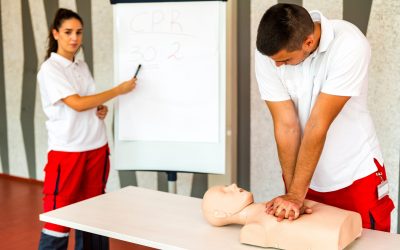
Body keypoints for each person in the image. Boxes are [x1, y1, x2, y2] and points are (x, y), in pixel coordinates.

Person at [255, 3, 394, 231]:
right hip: (302, 176)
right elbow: (286, 125)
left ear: (308, 43)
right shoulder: (272, 52)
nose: (277, 66)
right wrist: (294, 193)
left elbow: (318, 123)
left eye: (285, 61)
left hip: (353, 174)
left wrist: (296, 194)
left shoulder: (349, 44)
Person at [37, 8, 136, 250]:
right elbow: (77, 104)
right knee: (58, 219)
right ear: (55, 33)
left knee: (93, 215)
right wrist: (117, 91)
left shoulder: (81, 65)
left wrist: (101, 108)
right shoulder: (50, 70)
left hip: (97, 148)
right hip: (68, 152)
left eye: (79, 32)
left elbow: (88, 101)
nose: (74, 38)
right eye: (68, 32)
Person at [202, 184, 362, 250]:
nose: (234, 186)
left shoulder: (272, 205)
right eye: (225, 191)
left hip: (344, 223)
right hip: (337, 233)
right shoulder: (253, 229)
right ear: (220, 214)